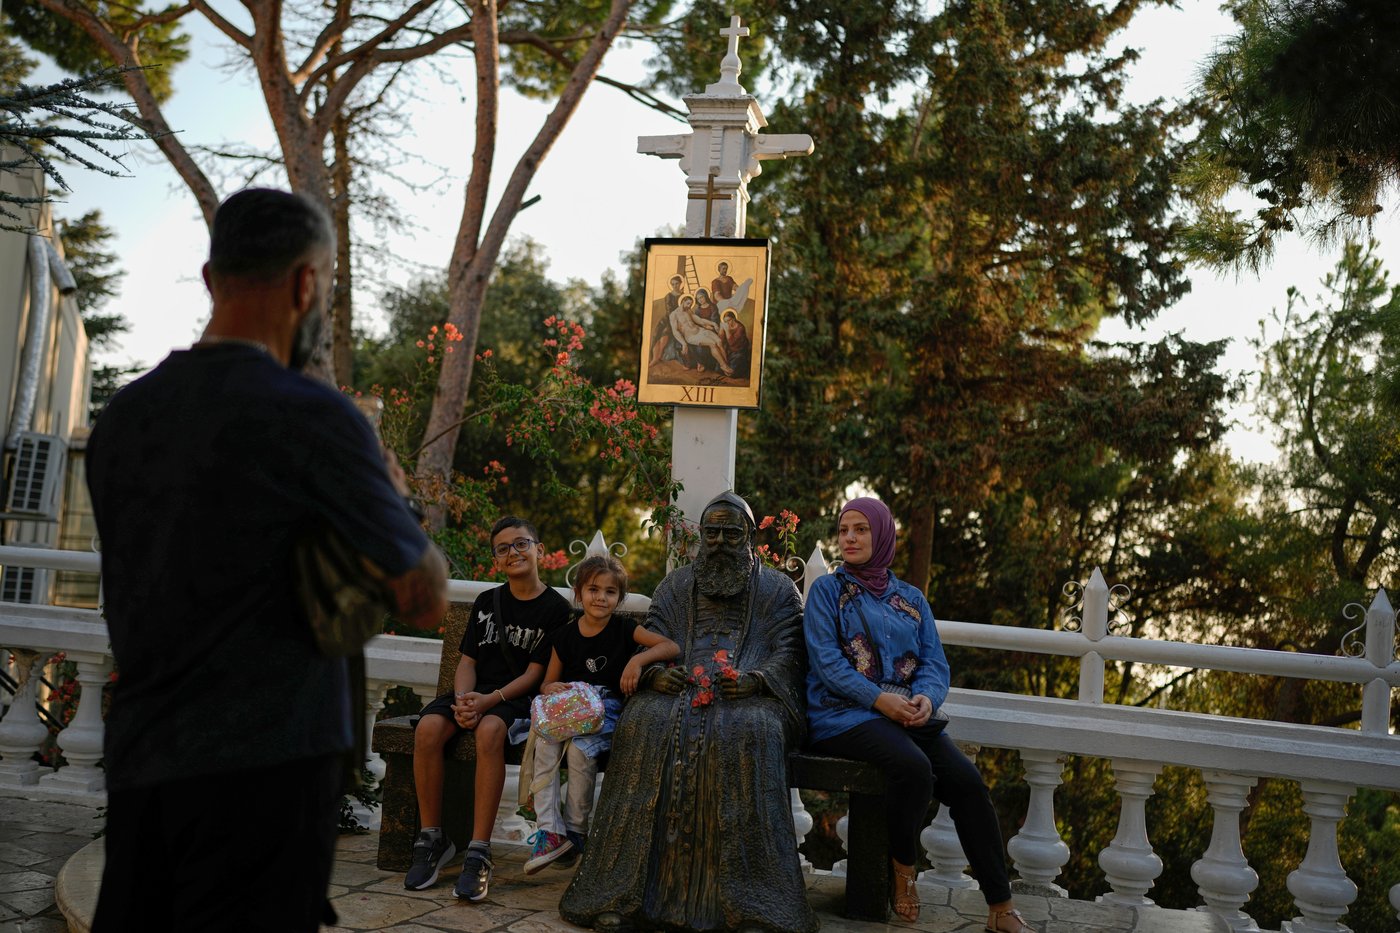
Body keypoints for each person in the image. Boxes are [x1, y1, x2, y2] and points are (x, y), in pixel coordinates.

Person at [86, 187, 449, 932]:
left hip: (144, 758)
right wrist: (391, 495)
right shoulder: (313, 416)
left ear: (210, 277)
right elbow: (423, 596)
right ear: (307, 284)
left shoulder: (125, 415)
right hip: (266, 772)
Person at [560, 492, 817, 933]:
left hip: (748, 694)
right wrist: (656, 676)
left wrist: (756, 680)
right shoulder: (676, 585)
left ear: (750, 536)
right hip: (676, 688)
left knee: (750, 729)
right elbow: (651, 642)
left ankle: (752, 903)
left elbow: (790, 653)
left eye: (730, 533)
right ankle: (621, 892)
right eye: (711, 532)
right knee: (644, 721)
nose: (718, 542)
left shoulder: (778, 589)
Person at [803, 497, 1035, 932]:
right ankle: (904, 871)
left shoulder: (910, 597)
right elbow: (827, 664)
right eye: (843, 529)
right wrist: (879, 700)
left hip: (908, 715)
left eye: (861, 529)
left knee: (967, 783)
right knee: (913, 767)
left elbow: (934, 664)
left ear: (883, 535)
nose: (849, 538)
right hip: (843, 715)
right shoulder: (828, 592)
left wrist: (927, 698)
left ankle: (1000, 907)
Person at [405, 516, 571, 899]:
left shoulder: (555, 609)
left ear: (539, 550)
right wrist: (464, 700)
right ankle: (433, 839)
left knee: (490, 730)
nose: (513, 552)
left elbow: (534, 673)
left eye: (521, 543)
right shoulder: (486, 602)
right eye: (503, 548)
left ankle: (479, 852)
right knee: (428, 729)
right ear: (496, 560)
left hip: (514, 699)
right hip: (474, 694)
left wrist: (488, 702)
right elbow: (467, 662)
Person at [523, 555, 679, 874]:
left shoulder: (624, 629)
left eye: (610, 592)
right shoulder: (564, 636)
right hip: (569, 708)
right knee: (544, 746)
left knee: (581, 752)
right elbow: (547, 682)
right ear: (579, 593)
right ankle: (550, 831)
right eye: (593, 589)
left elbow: (670, 647)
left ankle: (576, 833)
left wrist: (636, 662)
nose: (601, 597)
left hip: (603, 711)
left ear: (618, 599)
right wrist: (552, 688)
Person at [669, 295, 734, 376]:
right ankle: (723, 366)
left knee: (719, 341)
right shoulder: (674, 314)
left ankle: (726, 363)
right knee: (712, 343)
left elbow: (699, 320)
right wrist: (683, 343)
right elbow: (675, 331)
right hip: (691, 336)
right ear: (682, 302)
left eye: (691, 304)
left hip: (700, 330)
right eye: (688, 303)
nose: (689, 306)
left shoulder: (688, 311)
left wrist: (713, 323)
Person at [720, 309, 750, 376]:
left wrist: (727, 330)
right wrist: (721, 330)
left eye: (729, 320)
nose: (727, 323)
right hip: (729, 351)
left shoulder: (740, 328)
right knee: (717, 369)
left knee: (733, 372)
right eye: (725, 321)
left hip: (739, 351)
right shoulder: (727, 326)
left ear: (734, 318)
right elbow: (721, 341)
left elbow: (732, 343)